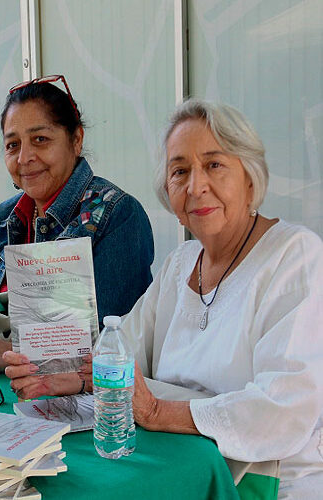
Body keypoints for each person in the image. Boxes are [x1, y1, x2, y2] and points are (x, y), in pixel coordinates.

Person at [56, 100, 322, 496]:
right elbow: (118, 350)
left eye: (214, 165)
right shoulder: (181, 263)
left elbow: (281, 410)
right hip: (176, 467)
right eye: (180, 171)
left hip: (268, 485)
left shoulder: (295, 256)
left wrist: (158, 409)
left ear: (250, 178)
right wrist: (63, 372)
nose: (196, 186)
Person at [0, 75, 154, 376]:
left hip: (73, 411)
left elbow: (113, 348)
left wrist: (12, 353)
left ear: (76, 139)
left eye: (41, 139)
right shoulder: (6, 215)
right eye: (13, 145)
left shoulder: (116, 215)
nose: (24, 158)